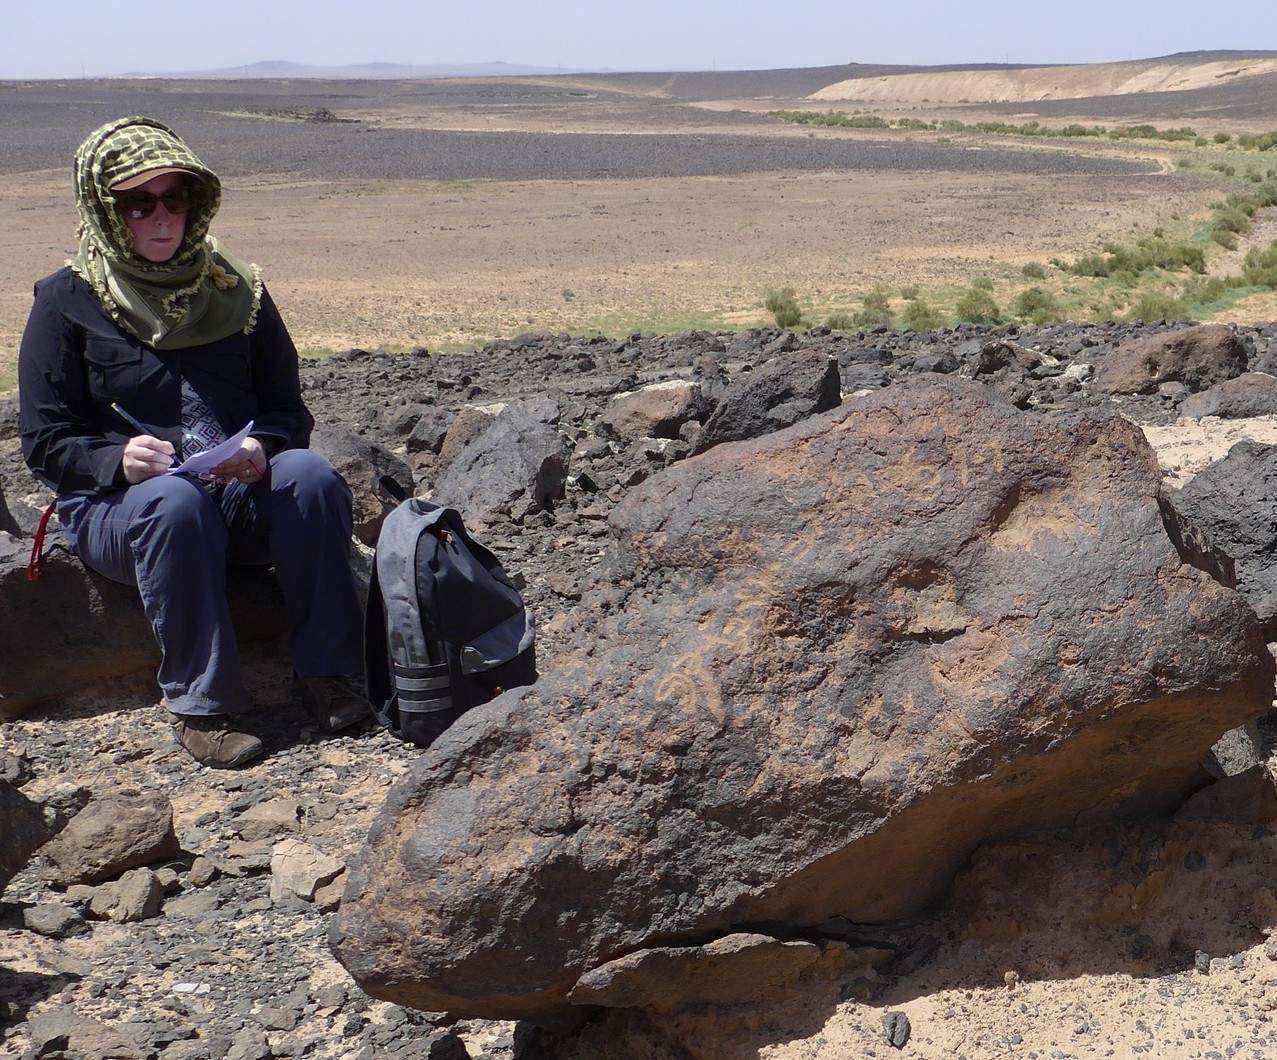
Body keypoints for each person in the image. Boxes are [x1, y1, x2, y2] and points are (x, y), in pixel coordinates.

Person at [18, 116, 370, 769]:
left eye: (173, 199)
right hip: (120, 509)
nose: (160, 217)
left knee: (311, 478)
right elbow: (44, 441)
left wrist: (262, 448)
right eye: (137, 202)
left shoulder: (236, 289)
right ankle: (200, 707)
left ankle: (330, 673)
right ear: (102, 207)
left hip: (232, 494)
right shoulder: (66, 301)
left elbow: (287, 409)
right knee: (173, 506)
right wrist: (115, 460)